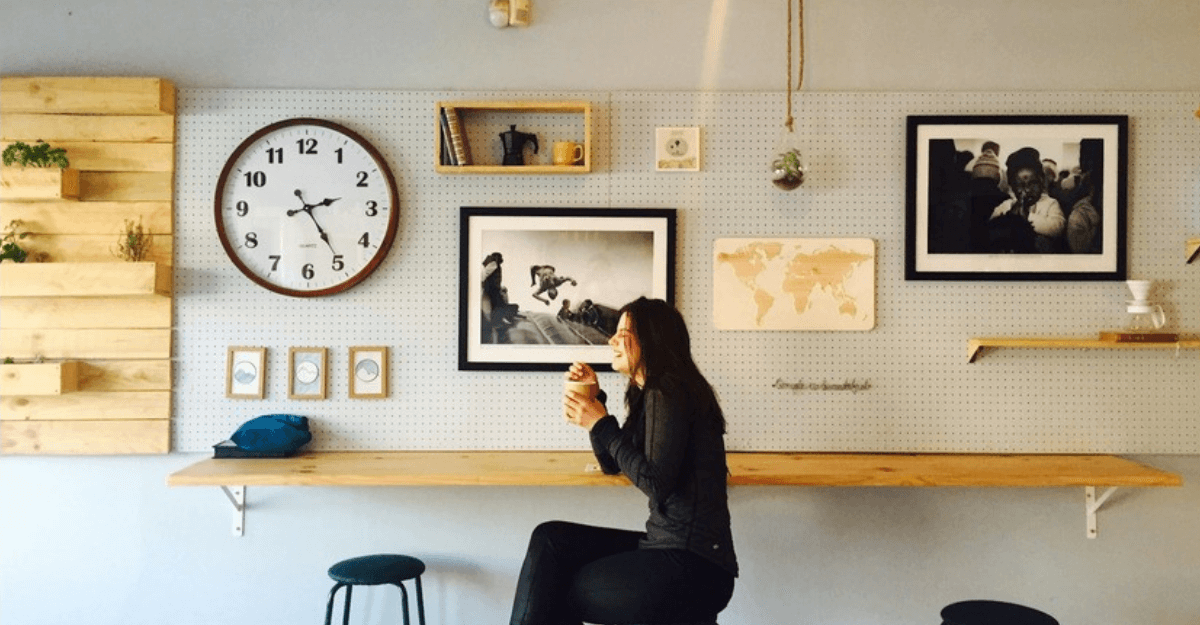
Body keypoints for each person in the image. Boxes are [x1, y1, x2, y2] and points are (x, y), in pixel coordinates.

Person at [509, 297, 737, 625]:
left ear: (651, 339)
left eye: (624, 333)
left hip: (693, 564)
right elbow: (612, 464)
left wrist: (599, 422)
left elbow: (656, 484)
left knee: (551, 587)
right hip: (667, 546)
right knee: (550, 539)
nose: (612, 340)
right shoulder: (653, 394)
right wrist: (594, 402)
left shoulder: (668, 391)